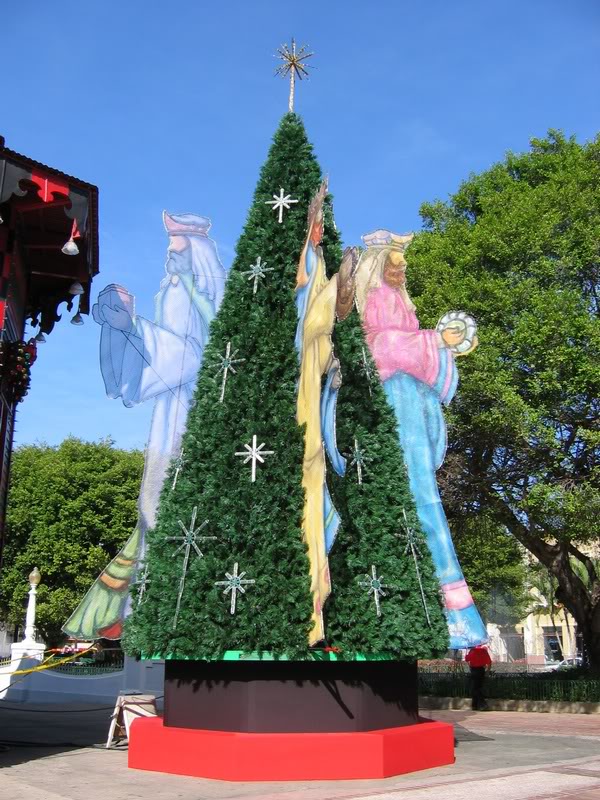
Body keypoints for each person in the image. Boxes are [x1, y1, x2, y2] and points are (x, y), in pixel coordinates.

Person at [63, 212, 227, 640]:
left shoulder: (208, 295)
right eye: (170, 243)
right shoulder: (173, 287)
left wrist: (133, 328)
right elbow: (143, 374)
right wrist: (124, 329)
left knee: (174, 502)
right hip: (171, 413)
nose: (170, 251)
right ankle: (145, 602)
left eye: (177, 242)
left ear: (197, 249)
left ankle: (169, 603)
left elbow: (197, 355)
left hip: (198, 416)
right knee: (154, 502)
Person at [354, 229, 487, 649]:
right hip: (394, 408)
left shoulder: (396, 302)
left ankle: (442, 610)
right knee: (418, 499)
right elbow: (381, 347)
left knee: (421, 500)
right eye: (395, 261)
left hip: (407, 404)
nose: (402, 267)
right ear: (379, 266)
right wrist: (435, 342)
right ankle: (442, 610)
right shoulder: (373, 302)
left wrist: (432, 343)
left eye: (402, 262)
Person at [295, 180, 357, 645]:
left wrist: (344, 283)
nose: (319, 233)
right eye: (315, 226)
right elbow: (309, 305)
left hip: (316, 360)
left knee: (316, 475)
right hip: (304, 356)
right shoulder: (309, 265)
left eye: (321, 227)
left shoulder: (323, 277)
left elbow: (330, 316)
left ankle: (316, 610)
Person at [465, 643, 492, 710]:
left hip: (474, 670)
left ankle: (479, 704)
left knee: (475, 688)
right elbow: (489, 662)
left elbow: (467, 659)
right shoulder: (483, 651)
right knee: (478, 687)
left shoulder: (472, 651)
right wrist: (487, 671)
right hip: (481, 670)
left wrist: (467, 656)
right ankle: (475, 705)